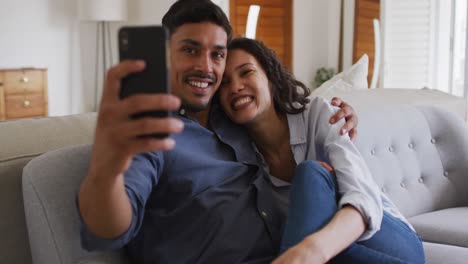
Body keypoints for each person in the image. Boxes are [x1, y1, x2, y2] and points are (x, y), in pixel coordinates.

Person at [78, 0, 359, 263]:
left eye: (217, 55)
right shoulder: (151, 131)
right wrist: (108, 170)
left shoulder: (232, 113)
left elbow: (285, 107)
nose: (205, 67)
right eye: (190, 50)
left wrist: (338, 115)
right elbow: (107, 230)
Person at [218, 37, 425, 264]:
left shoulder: (318, 114)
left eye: (246, 72)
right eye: (225, 82)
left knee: (311, 173)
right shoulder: (237, 157)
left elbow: (363, 197)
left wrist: (311, 249)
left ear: (270, 78)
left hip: (387, 237)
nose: (236, 87)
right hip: (333, 254)